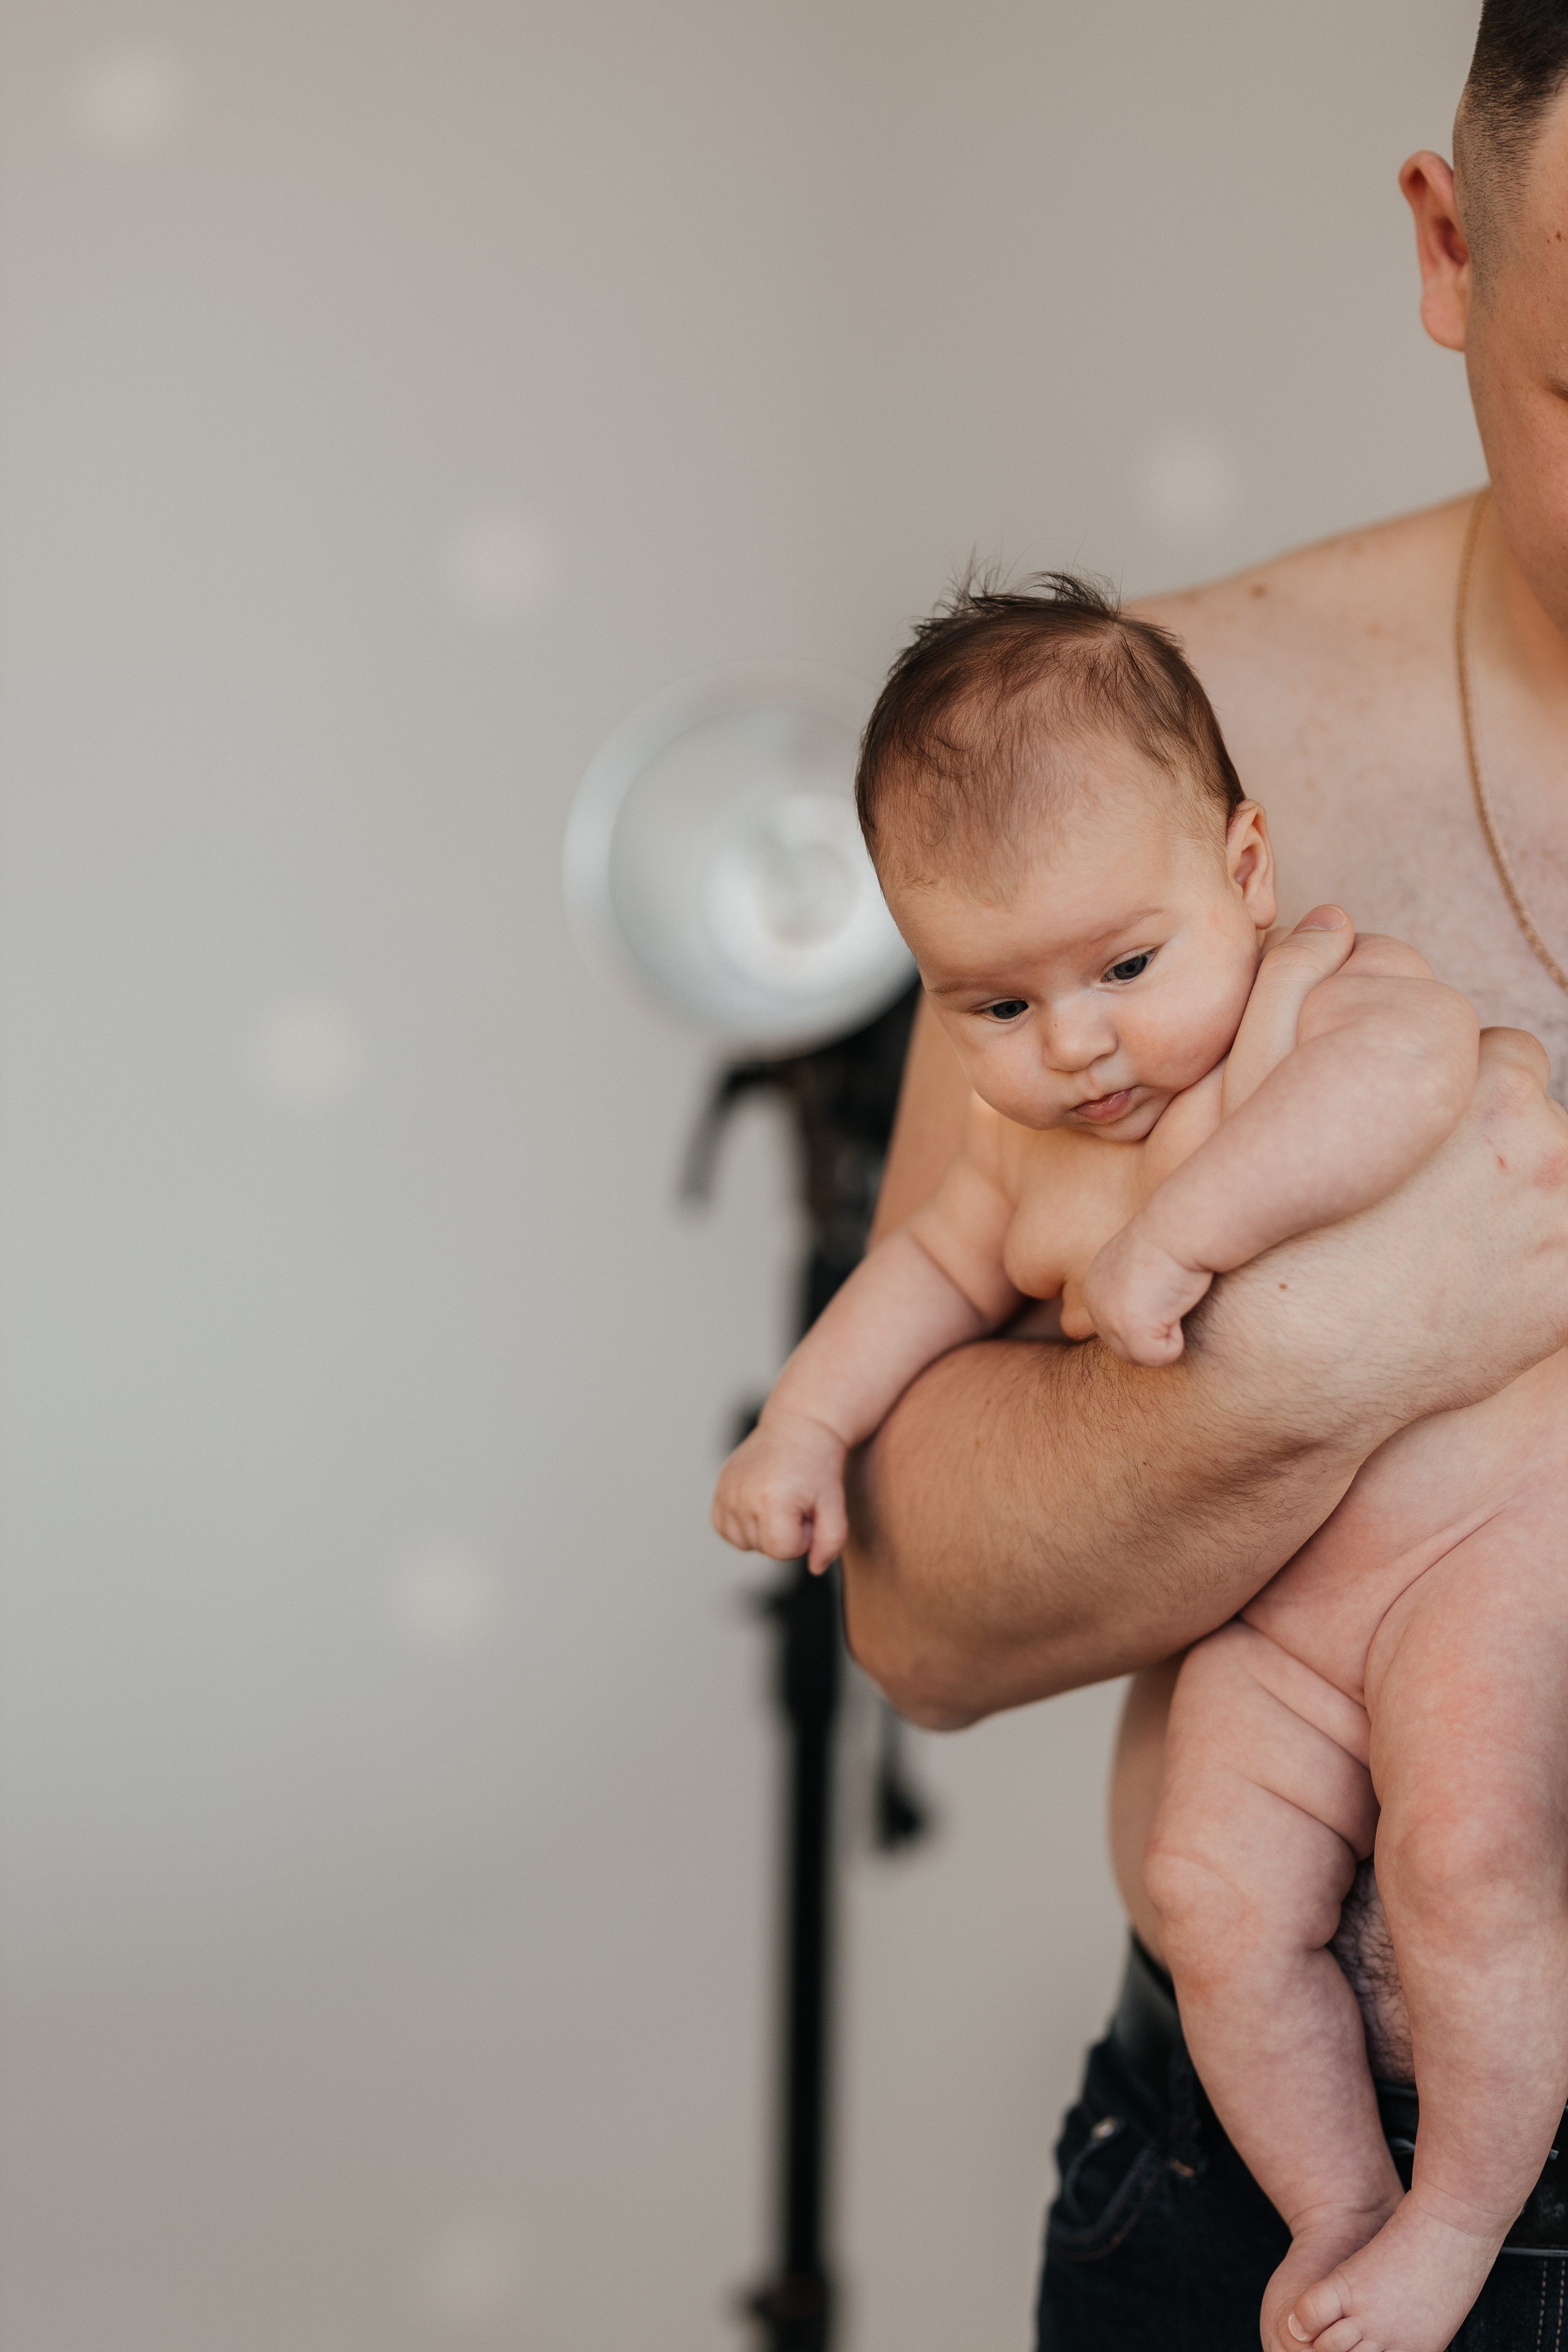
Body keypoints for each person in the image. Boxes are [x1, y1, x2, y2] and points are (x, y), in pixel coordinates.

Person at [837, 7, 1568, 2346]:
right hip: (1269, 2193)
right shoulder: (1143, 798)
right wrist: (1324, 1360)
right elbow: (921, 1613)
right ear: (1452, 252)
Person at [714, 575, 1559, 2352]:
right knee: (1209, 1893)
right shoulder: (1024, 1154)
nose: (1077, 1044)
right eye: (992, 1007)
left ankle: (1459, 2217)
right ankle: (1338, 2213)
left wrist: (1190, 1238)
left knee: (1473, 1850)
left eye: (1122, 968)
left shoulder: (1314, 1000)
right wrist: (806, 1423)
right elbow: (920, 1278)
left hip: (1473, 1544)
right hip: (1271, 1624)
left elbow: (1417, 1086)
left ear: (1244, 873)